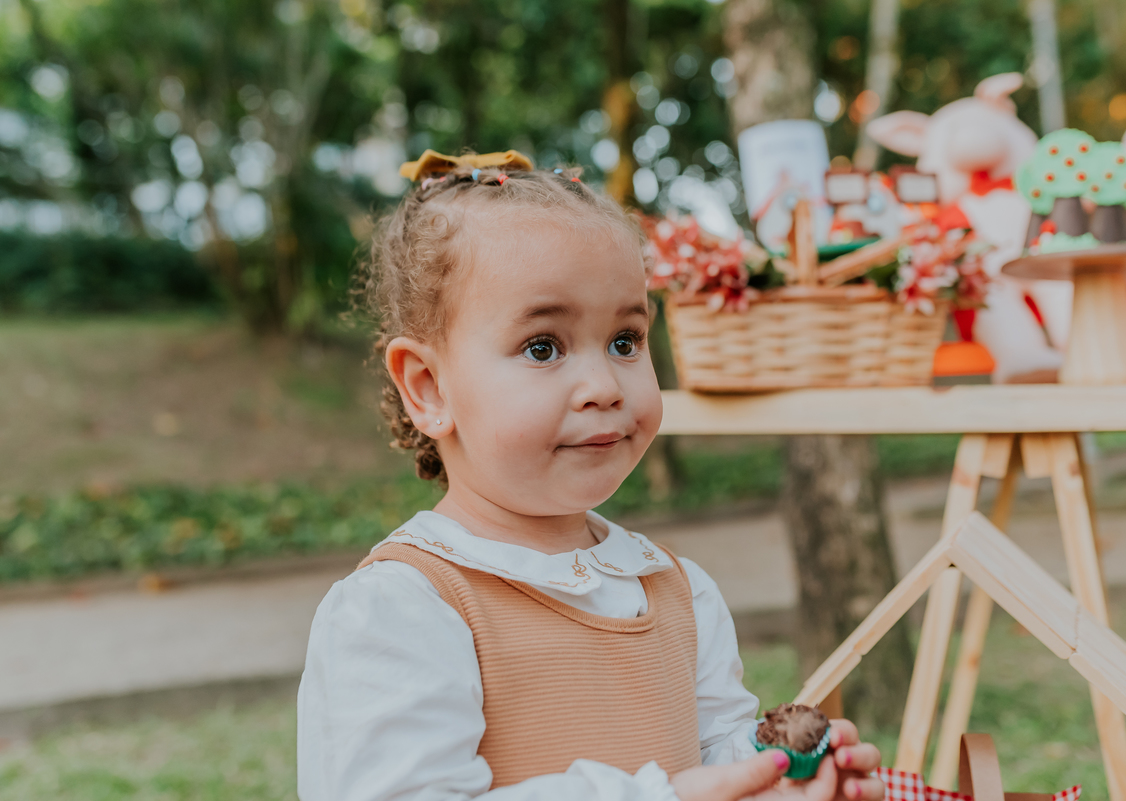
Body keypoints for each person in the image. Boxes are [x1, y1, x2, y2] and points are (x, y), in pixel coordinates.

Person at [296, 150, 885, 801]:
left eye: (625, 341)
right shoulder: (405, 609)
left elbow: (709, 752)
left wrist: (771, 768)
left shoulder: (679, 592)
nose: (604, 385)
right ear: (429, 386)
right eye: (542, 347)